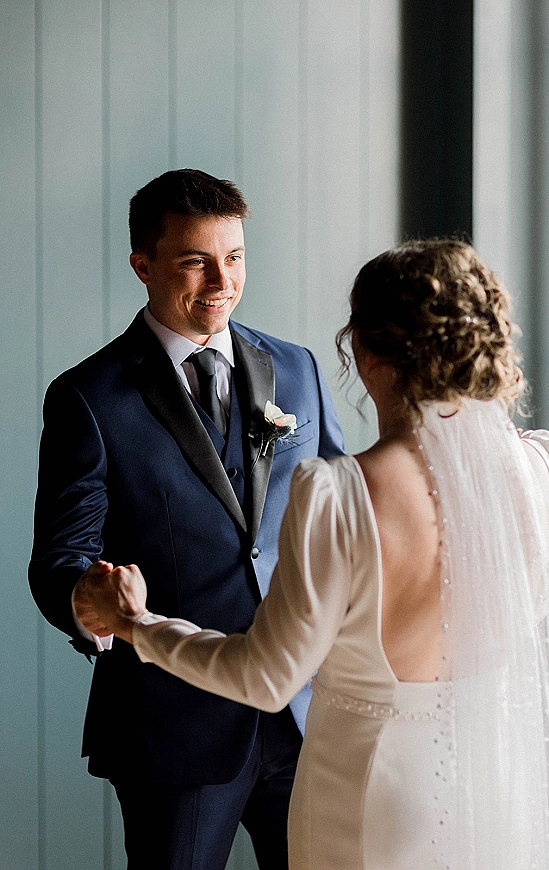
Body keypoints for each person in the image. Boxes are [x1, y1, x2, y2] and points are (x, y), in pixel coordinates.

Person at [81, 238, 549, 869]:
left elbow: (266, 678)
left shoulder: (343, 492)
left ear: (367, 353)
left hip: (368, 802)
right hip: (493, 794)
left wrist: (136, 624)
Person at [28, 169, 344, 870]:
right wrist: (89, 601)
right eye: (195, 261)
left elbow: (345, 513)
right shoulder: (88, 397)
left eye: (233, 257)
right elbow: (60, 556)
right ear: (144, 264)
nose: (220, 281)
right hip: (173, 722)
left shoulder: (296, 370)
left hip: (307, 714)